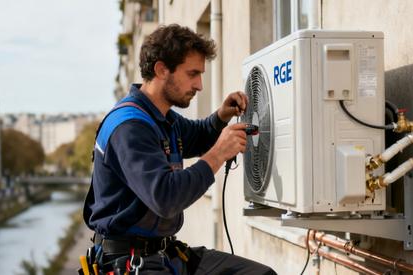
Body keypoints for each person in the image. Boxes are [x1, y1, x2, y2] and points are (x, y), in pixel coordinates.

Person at [82, 24, 277, 275]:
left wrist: (220, 116)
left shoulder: (162, 118)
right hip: (129, 263)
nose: (199, 85)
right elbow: (166, 198)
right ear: (162, 69)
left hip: (165, 255)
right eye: (192, 74)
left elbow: (197, 136)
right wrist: (218, 154)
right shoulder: (130, 127)